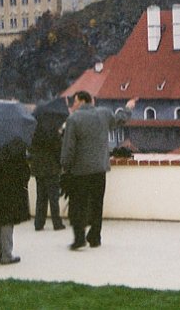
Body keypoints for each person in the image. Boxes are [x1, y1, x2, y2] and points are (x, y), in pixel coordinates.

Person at [60, 91, 135, 250]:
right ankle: (95, 237)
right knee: (96, 203)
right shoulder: (104, 113)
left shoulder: (73, 119)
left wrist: (65, 166)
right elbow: (120, 120)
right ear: (91, 100)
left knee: (78, 205)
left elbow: (69, 147)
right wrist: (128, 108)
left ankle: (79, 238)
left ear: (80, 101)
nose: (73, 106)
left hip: (79, 170)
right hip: (100, 169)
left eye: (74, 102)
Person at [0, 141, 30, 264]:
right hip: (10, 186)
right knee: (7, 220)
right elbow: (22, 167)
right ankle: (6, 254)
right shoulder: (15, 143)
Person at [31, 100, 67, 231]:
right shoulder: (52, 132)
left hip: (38, 166)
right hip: (51, 167)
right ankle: (57, 222)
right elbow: (58, 149)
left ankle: (38, 223)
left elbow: (31, 149)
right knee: (53, 197)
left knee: (41, 196)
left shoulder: (34, 131)